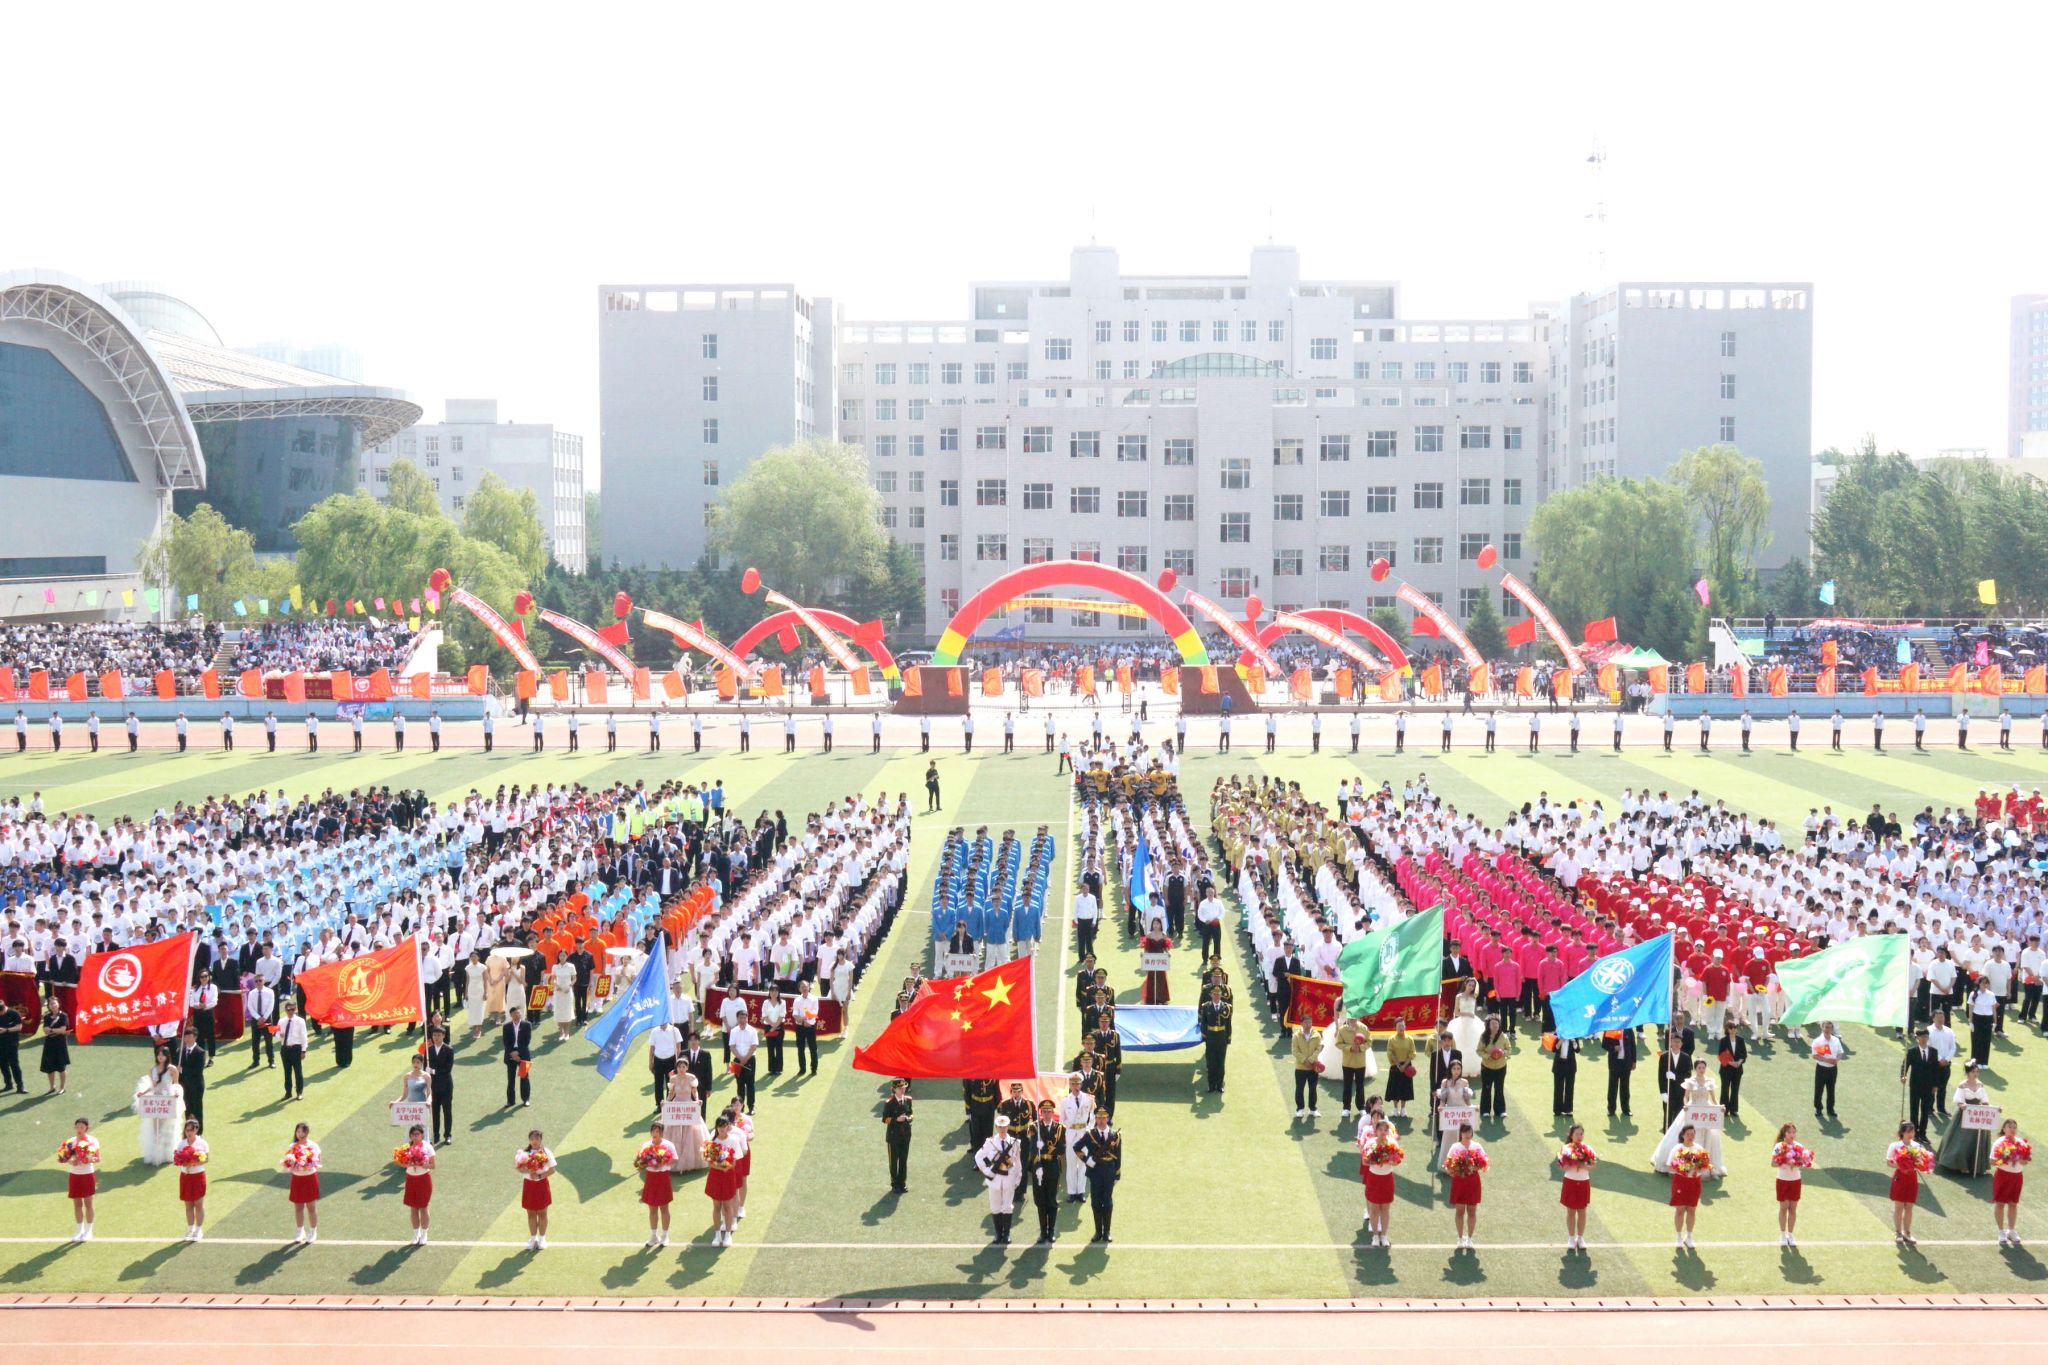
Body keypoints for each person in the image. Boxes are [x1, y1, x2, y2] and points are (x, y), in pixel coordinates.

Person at [1653, 1060, 1725, 1175]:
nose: (1701, 1070)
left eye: (1703, 1068)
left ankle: (1703, 1166)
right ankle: (1685, 1163)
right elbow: (1686, 1097)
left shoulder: (1710, 1081)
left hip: (1706, 1110)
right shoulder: (1691, 1081)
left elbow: (1713, 1098)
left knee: (1708, 1135)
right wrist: (1686, 1105)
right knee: (1688, 1131)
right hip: (1693, 1109)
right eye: (1699, 1068)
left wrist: (1718, 1107)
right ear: (1695, 1069)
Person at [1937, 1060, 1994, 1175]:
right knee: (1962, 1141)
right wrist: (1962, 1105)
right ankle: (1961, 1165)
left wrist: (1993, 1109)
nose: (1976, 1074)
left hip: (1977, 1115)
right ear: (1968, 1073)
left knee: (1977, 1141)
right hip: (1965, 1115)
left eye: (1977, 1072)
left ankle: (1976, 1166)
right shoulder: (1963, 1085)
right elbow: (1959, 1100)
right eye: (1973, 1072)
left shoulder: (1980, 1085)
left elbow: (1985, 1101)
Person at [975, 1113, 1023, 1244]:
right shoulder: (990, 1142)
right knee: (995, 1206)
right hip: (994, 1179)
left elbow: (1018, 1162)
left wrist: (1018, 1177)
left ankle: (1006, 1234)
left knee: (1007, 1206)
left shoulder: (1015, 1143)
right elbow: (978, 1157)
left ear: (1008, 1127)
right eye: (1000, 1127)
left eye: (1004, 1127)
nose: (1002, 1129)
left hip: (1009, 1177)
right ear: (996, 1128)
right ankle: (998, 1234)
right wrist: (986, 1171)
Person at [1078, 1107, 1122, 1244]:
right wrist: (1087, 1160)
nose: (1101, 1120)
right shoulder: (1090, 1135)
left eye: (1104, 1117)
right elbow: (1076, 1147)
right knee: (1096, 1202)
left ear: (1108, 1118)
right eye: (1099, 1117)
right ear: (1095, 1119)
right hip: (1095, 1172)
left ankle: (1107, 1232)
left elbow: (1118, 1156)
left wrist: (1117, 1174)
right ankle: (1098, 1231)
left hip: (1109, 1171)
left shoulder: (1115, 1135)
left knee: (1107, 1202)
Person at [1359, 1117, 1405, 1248]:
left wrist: (1390, 1161)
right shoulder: (1370, 1143)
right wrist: (1376, 1160)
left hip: (1387, 1178)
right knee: (1374, 1209)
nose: (1383, 1132)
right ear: (1376, 1131)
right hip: (1373, 1178)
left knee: (1385, 1208)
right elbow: (1364, 1162)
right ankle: (1375, 1236)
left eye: (1385, 1130)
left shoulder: (1393, 1144)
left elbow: (1397, 1161)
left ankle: (1384, 1236)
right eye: (1380, 1130)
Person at [133, 1047, 184, 1164]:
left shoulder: (172, 1069)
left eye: (163, 1055)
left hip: (168, 1101)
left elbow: (176, 1084)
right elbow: (153, 1086)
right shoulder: (153, 1069)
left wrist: (176, 1093)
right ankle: (156, 1154)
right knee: (155, 1127)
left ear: (167, 1056)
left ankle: (168, 1153)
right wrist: (143, 1093)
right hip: (156, 1101)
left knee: (168, 1126)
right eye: (159, 1055)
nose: (160, 1057)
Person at [635, 1120, 679, 1247]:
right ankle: (653, 1236)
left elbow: (675, 1159)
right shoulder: (646, 1145)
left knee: (664, 1208)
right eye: (653, 1131)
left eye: (657, 1131)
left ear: (662, 1133)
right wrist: (642, 1163)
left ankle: (665, 1236)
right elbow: (640, 1161)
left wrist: (662, 1163)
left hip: (663, 1177)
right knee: (652, 1209)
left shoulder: (669, 1145)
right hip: (650, 1178)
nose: (655, 1133)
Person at [1444, 1122, 1486, 1250]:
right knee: (1460, 1211)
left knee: (1472, 1211)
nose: (1467, 1134)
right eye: (1465, 1131)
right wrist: (1451, 1170)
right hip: (1459, 1182)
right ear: (1460, 1133)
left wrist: (1476, 1165)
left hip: (1473, 1181)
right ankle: (1460, 1238)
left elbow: (1484, 1161)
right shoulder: (1455, 1147)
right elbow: (1447, 1164)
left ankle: (1470, 1238)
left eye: (1469, 1131)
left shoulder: (1477, 1146)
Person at [1887, 1119, 1929, 1247]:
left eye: (1913, 1131)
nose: (1911, 1134)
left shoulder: (1917, 1146)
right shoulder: (1895, 1146)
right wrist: (1902, 1165)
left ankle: (1907, 1233)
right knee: (1899, 1207)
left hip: (1912, 1178)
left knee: (1909, 1207)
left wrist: (1919, 1164)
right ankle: (1898, 1233)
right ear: (1902, 1133)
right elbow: (1889, 1162)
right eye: (1908, 1131)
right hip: (1900, 1177)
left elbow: (1923, 1162)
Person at [1770, 1122, 1813, 1247]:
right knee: (1784, 1207)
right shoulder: (1779, 1146)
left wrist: (1802, 1161)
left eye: (1794, 1132)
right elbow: (1773, 1163)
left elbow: (1804, 1162)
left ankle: (1791, 1235)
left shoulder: (1799, 1146)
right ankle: (1782, 1235)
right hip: (1782, 1180)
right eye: (1789, 1132)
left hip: (1795, 1180)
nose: (1792, 1134)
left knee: (1793, 1208)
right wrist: (1785, 1161)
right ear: (1784, 1133)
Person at [59, 1117, 100, 1241]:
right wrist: (71, 1160)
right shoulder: (71, 1142)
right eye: (77, 1127)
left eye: (82, 1127)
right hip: (74, 1175)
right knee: (77, 1204)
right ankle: (79, 1230)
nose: (79, 1129)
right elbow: (64, 1157)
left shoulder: (92, 1141)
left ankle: (89, 1230)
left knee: (88, 1203)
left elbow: (96, 1158)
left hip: (87, 1174)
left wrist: (86, 1159)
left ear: (87, 1128)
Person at [705, 1113, 743, 1246]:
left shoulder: (733, 1141)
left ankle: (727, 1235)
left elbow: (734, 1161)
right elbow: (709, 1162)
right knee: (716, 1206)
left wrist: (726, 1167)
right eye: (719, 1126)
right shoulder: (712, 1141)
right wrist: (720, 1167)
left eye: (724, 1126)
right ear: (716, 1127)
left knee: (727, 1206)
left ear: (728, 1127)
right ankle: (717, 1236)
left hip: (728, 1176)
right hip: (715, 1176)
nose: (722, 1128)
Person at [1668, 1124, 1708, 1249]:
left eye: (1692, 1134)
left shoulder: (1699, 1149)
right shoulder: (1677, 1149)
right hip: (1680, 1182)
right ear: (1683, 1135)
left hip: (1695, 1183)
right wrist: (1684, 1170)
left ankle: (1689, 1237)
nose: (1690, 1136)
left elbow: (1705, 1166)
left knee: (1692, 1210)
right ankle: (1678, 1237)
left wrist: (1697, 1170)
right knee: (1680, 1210)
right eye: (1688, 1134)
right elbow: (1669, 1166)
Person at [1992, 1118, 2031, 1246]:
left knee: (2013, 1204)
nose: (2012, 1129)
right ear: (2004, 1129)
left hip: (2017, 1176)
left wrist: (2018, 1158)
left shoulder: (2021, 1143)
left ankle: (2011, 1230)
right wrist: (2004, 1158)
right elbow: (1993, 1162)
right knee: (2000, 1203)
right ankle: (2001, 1231)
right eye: (2009, 1127)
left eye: (2014, 1127)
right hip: (2002, 1176)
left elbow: (2026, 1161)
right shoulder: (1999, 1143)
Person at [282, 1121, 322, 1243]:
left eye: (302, 1131)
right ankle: (300, 1231)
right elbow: (288, 1163)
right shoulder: (292, 1146)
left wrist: (307, 1164)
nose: (300, 1134)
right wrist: (292, 1163)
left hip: (310, 1178)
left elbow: (318, 1162)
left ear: (307, 1132)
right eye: (298, 1131)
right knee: (298, 1207)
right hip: (297, 1179)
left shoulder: (313, 1146)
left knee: (311, 1207)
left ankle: (313, 1231)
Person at [396, 1122, 436, 1245]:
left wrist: (423, 1164)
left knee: (423, 1207)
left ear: (422, 1135)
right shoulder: (406, 1148)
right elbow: (399, 1162)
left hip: (423, 1179)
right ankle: (416, 1233)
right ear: (410, 1136)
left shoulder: (428, 1147)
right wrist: (407, 1163)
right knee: (413, 1208)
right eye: (413, 1134)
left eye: (418, 1134)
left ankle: (424, 1234)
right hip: (411, 1179)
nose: (415, 1136)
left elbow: (433, 1165)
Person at [516, 1130, 556, 1250]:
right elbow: (519, 1168)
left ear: (540, 1140)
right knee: (531, 1213)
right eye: (532, 1139)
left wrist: (539, 1176)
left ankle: (542, 1238)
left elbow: (552, 1169)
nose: (534, 1141)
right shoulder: (525, 1153)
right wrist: (530, 1170)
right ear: (529, 1140)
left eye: (537, 1139)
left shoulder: (546, 1152)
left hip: (541, 1185)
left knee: (542, 1213)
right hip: (529, 1186)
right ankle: (533, 1238)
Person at [1902, 1025, 1942, 1144]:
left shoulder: (1933, 1052)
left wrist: (1935, 1085)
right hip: (1915, 1085)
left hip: (1928, 1086)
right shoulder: (1912, 1051)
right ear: (1917, 1038)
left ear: (1928, 1038)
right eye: (1921, 1037)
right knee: (1914, 1109)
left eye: (1925, 1036)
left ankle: (1923, 1134)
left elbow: (1936, 1070)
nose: (1924, 1039)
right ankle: (1914, 1133)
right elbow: (1905, 1064)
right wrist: (1903, 1075)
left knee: (1925, 1111)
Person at [1434, 1059, 1474, 1169]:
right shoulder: (1445, 1082)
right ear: (1450, 1070)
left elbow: (1467, 1100)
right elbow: (1443, 1099)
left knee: (1462, 1137)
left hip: (1462, 1114)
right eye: (1454, 1069)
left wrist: (1472, 1109)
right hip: (1450, 1115)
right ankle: (1448, 1166)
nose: (1456, 1071)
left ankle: (1463, 1165)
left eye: (1458, 1069)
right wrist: (1441, 1107)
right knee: (1449, 1139)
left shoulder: (1464, 1082)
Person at [173, 1118, 209, 1240]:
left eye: (191, 1130)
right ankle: (190, 1229)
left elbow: (206, 1159)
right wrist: (183, 1161)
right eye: (187, 1130)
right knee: (188, 1204)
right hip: (185, 1176)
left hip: (198, 1176)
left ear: (196, 1130)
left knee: (198, 1204)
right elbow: (177, 1159)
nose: (188, 1133)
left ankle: (198, 1230)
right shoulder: (182, 1144)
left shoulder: (202, 1143)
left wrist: (194, 1162)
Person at [882, 1078, 914, 1192]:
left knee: (903, 1160)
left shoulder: (908, 1100)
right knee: (893, 1161)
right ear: (894, 1089)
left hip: (905, 1135)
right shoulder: (889, 1103)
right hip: (893, 1136)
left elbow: (911, 1114)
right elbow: (885, 1119)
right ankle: (895, 1184)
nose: (902, 1090)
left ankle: (902, 1182)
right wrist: (896, 1119)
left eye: (903, 1088)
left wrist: (908, 1118)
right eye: (900, 1088)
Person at [1476, 1014, 1510, 1122]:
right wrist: (1488, 1056)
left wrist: (1503, 1053)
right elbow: (1479, 1051)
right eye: (1493, 1024)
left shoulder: (1503, 1036)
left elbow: (1509, 1049)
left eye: (1497, 1024)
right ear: (1488, 1025)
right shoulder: (1484, 1037)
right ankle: (1485, 1110)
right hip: (1487, 1067)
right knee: (1486, 1088)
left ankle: (1500, 1110)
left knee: (1499, 1088)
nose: (1495, 1026)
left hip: (1501, 1066)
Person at [39, 988, 72, 1095]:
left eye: (54, 1003)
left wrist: (52, 1030)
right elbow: (45, 1030)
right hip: (49, 1044)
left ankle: (62, 1087)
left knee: (61, 1067)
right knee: (50, 1067)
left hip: (60, 1044)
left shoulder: (63, 1016)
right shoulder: (47, 1016)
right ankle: (52, 1087)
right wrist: (55, 1031)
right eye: (50, 1004)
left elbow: (63, 1030)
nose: (53, 1005)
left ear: (58, 1004)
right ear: (48, 1006)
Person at [427, 1027, 456, 1145]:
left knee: (447, 1111)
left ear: (443, 1036)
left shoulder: (449, 1050)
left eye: (439, 1035)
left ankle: (447, 1135)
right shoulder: (429, 1050)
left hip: (446, 1085)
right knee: (435, 1111)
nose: (436, 1038)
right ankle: (436, 1135)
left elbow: (447, 1069)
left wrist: (433, 1071)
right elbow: (425, 1067)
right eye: (434, 1035)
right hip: (433, 1086)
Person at [1811, 1020, 1845, 1118]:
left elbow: (1840, 1052)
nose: (1827, 1029)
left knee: (1831, 1089)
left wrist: (1836, 1060)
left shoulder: (1836, 1040)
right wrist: (1827, 1060)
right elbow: (1815, 1055)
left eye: (1829, 1027)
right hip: (1821, 1068)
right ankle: (1818, 1108)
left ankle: (1830, 1109)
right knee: (1819, 1089)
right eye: (1826, 1027)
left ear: (1832, 1029)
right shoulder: (1817, 1041)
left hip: (1833, 1069)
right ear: (1822, 1028)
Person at [1291, 1017, 1324, 1120]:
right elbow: (1294, 1050)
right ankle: (1300, 1109)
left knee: (1313, 1088)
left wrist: (1311, 1060)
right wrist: (1304, 1060)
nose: (1308, 1025)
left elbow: (1319, 1048)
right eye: (1305, 1023)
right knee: (1299, 1088)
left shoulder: (1316, 1035)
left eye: (1310, 1023)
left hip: (1313, 1068)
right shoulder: (1296, 1035)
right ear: (1301, 1024)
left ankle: (1312, 1109)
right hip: (1300, 1067)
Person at [1383, 1018, 1416, 1118]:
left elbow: (1412, 1053)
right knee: (1395, 1088)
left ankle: (1403, 1109)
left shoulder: (1410, 1039)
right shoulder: (1392, 1039)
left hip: (1407, 1066)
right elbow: (1390, 1053)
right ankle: (1395, 1109)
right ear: (1395, 1028)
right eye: (1399, 1026)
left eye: (1403, 1025)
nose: (1401, 1028)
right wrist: (1398, 1065)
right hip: (1395, 1066)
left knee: (1405, 1088)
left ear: (1405, 1026)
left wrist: (1405, 1065)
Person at [277, 997, 309, 1100]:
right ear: (285, 1010)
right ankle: (288, 1092)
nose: (291, 1011)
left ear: (295, 1009)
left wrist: (303, 1050)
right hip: (285, 1049)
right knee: (287, 1072)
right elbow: (277, 1033)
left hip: (296, 1049)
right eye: (289, 1009)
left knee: (298, 1072)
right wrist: (280, 1035)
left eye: (293, 1009)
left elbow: (304, 1036)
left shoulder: (300, 1021)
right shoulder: (281, 1021)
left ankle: (299, 1092)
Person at [503, 1005, 533, 1108]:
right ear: (511, 1015)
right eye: (515, 1013)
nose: (518, 1014)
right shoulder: (506, 1027)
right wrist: (512, 1053)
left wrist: (518, 1053)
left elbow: (527, 1041)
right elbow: (506, 1042)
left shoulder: (527, 1025)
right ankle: (510, 1101)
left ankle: (526, 1099)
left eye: (519, 1013)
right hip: (510, 1056)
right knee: (511, 1079)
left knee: (525, 1077)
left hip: (523, 1055)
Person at [1139, 918, 1172, 1005]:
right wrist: (1143, 955)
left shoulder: (1163, 935)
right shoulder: (1149, 935)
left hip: (1160, 960)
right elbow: (1146, 948)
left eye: (1157, 924)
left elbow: (1166, 947)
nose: (1156, 925)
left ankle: (1162, 998)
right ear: (1152, 925)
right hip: (1151, 959)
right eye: (1154, 924)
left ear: (1160, 925)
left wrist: (1168, 953)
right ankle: (1151, 998)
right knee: (1151, 978)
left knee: (1161, 978)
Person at [1551, 1033, 1580, 1117]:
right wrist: (1561, 1041)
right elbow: (1554, 1049)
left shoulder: (1574, 1035)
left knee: (1569, 1088)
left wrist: (1573, 1041)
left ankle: (1568, 1109)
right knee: (1558, 1088)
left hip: (1570, 1066)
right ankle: (1557, 1110)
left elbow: (1578, 1050)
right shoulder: (1558, 1033)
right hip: (1559, 1065)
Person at [0, 994, 23, 1094]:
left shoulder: (14, 1014)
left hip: (11, 1043)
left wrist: (6, 1030)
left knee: (14, 1064)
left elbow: (19, 1027)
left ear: (4, 1008)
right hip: (0, 1044)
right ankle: (8, 1084)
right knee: (3, 1065)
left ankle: (20, 1086)